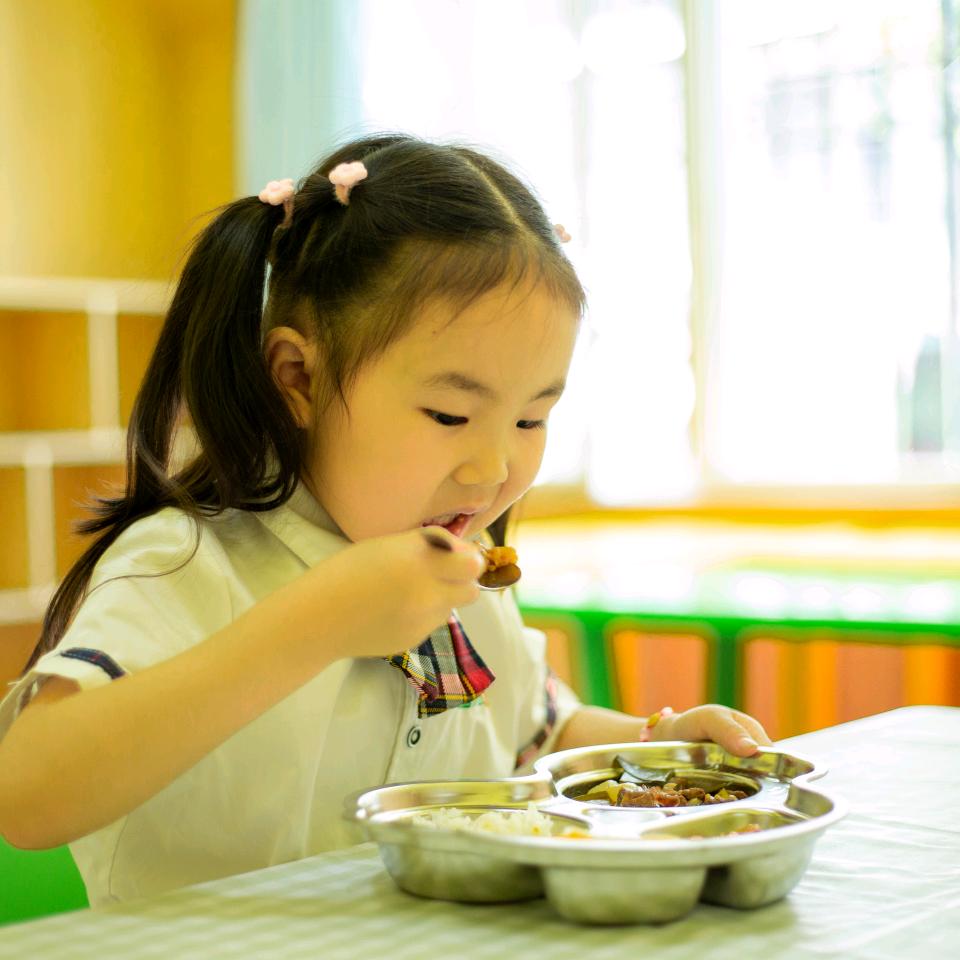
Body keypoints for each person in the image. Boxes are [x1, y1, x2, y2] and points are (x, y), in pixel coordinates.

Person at [0, 134, 769, 905]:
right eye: (450, 413)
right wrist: (316, 622)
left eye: (532, 420)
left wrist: (655, 745)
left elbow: (535, 734)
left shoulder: (463, 565)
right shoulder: (185, 560)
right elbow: (28, 796)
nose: (495, 468)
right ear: (297, 378)